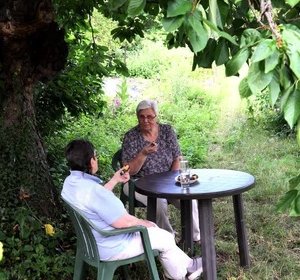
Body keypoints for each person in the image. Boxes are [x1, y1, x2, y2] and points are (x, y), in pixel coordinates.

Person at [61, 139, 203, 280]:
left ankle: (186, 266)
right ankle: (184, 272)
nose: (96, 160)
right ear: (92, 161)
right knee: (164, 237)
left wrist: (114, 180)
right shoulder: (95, 192)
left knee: (156, 232)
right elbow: (123, 223)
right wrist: (144, 223)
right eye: (95, 157)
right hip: (112, 246)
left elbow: (93, 200)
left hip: (90, 243)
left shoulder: (71, 183)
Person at [121, 99, 200, 242]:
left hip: (168, 180)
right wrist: (143, 154)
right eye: (142, 116)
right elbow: (128, 170)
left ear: (156, 116)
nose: (145, 120)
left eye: (150, 116)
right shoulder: (131, 136)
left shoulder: (167, 131)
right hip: (138, 183)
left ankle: (194, 238)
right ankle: (168, 239)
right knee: (159, 202)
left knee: (189, 198)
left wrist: (171, 179)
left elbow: (177, 157)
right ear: (137, 117)